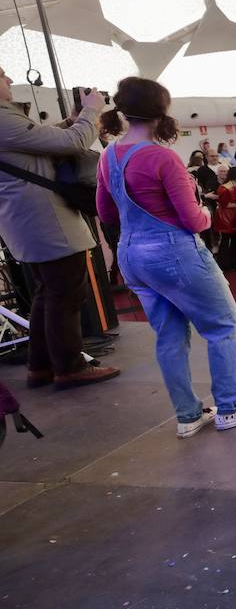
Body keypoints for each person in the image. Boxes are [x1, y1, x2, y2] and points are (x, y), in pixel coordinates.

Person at [95, 77, 236, 436]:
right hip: (173, 253)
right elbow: (192, 221)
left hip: (132, 255)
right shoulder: (163, 157)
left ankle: (188, 415)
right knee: (224, 327)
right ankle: (230, 408)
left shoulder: (108, 156)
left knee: (169, 335)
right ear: (162, 112)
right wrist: (207, 211)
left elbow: (107, 214)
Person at [0, 74, 120, 389]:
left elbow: (42, 138)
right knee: (66, 293)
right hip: (44, 219)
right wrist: (91, 112)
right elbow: (70, 143)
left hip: (28, 220)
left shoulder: (6, 119)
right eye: (2, 75)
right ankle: (69, 367)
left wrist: (73, 119)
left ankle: (40, 366)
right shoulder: (1, 118)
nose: (9, 79)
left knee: (48, 293)